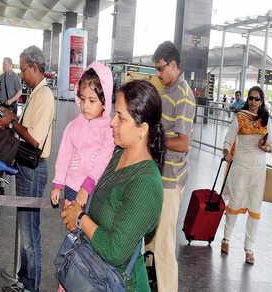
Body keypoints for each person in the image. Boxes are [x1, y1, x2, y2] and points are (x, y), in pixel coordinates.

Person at [60, 80, 164, 292]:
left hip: (117, 283)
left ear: (142, 129)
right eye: (114, 113)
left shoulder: (146, 183)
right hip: (93, 273)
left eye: (121, 117)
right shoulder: (117, 155)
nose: (112, 122)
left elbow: (115, 250)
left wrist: (80, 218)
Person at [0, 46, 54, 292]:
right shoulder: (35, 93)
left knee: (30, 232)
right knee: (25, 227)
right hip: (26, 166)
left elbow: (34, 140)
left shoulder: (44, 96)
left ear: (35, 67)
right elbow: (27, 128)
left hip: (34, 169)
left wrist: (12, 122)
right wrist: (13, 118)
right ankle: (23, 276)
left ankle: (32, 286)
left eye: (23, 68)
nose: (21, 74)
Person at [145, 41, 195, 292]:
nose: (158, 73)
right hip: (157, 173)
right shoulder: (166, 88)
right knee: (150, 239)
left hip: (170, 180)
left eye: (161, 68)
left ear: (174, 65)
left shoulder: (184, 95)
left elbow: (183, 143)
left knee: (163, 246)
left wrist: (155, 140)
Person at [50, 61, 115, 210]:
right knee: (72, 226)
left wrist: (89, 183)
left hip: (96, 190)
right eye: (82, 99)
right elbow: (64, 156)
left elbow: (104, 159)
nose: (85, 105)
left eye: (92, 101)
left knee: (89, 230)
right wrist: (58, 183)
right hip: (72, 187)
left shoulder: (109, 129)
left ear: (104, 101)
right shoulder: (73, 126)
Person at [221, 86, 272, 265]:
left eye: (257, 99)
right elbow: (228, 140)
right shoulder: (240, 117)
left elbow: (271, 145)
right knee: (235, 202)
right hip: (240, 168)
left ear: (262, 101)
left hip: (258, 171)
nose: (253, 102)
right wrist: (227, 152)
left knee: (255, 209)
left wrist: (266, 148)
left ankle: (249, 248)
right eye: (250, 98)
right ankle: (226, 239)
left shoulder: (266, 119)